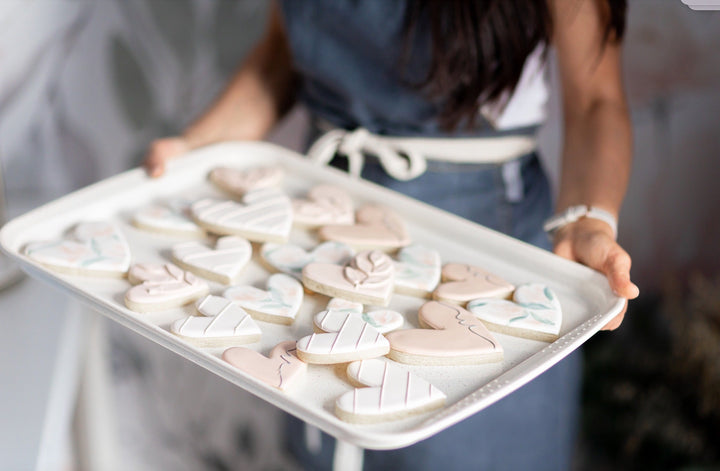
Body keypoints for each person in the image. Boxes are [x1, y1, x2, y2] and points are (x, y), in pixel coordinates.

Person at [145, 1, 639, 469]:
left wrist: (589, 220)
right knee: (333, 403)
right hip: (319, 234)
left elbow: (597, 99)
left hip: (484, 239)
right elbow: (280, 56)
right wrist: (195, 149)